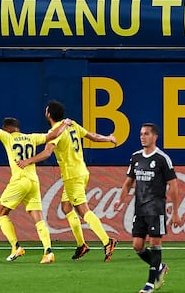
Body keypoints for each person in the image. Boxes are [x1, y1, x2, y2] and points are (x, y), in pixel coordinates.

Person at [16, 99, 118, 262]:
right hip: (81, 171)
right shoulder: (71, 124)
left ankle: (107, 241)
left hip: (72, 176)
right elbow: (92, 136)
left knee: (83, 210)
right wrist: (108, 138)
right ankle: (81, 245)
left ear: (49, 114)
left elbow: (47, 153)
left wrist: (28, 161)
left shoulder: (56, 131)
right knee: (66, 207)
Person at [0, 106, 71, 264]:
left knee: (0, 213)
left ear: (7, 128)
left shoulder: (8, 137)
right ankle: (48, 252)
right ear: (18, 128)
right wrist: (64, 123)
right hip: (33, 181)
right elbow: (52, 135)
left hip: (19, 180)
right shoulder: (31, 137)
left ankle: (16, 247)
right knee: (38, 218)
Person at [118, 123, 181, 293]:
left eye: (146, 134)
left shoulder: (162, 158)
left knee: (154, 243)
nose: (142, 137)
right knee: (137, 246)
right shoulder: (136, 157)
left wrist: (175, 212)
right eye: (141, 134)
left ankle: (150, 284)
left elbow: (173, 186)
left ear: (155, 137)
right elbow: (128, 182)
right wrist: (120, 200)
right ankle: (159, 267)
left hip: (156, 208)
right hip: (140, 209)